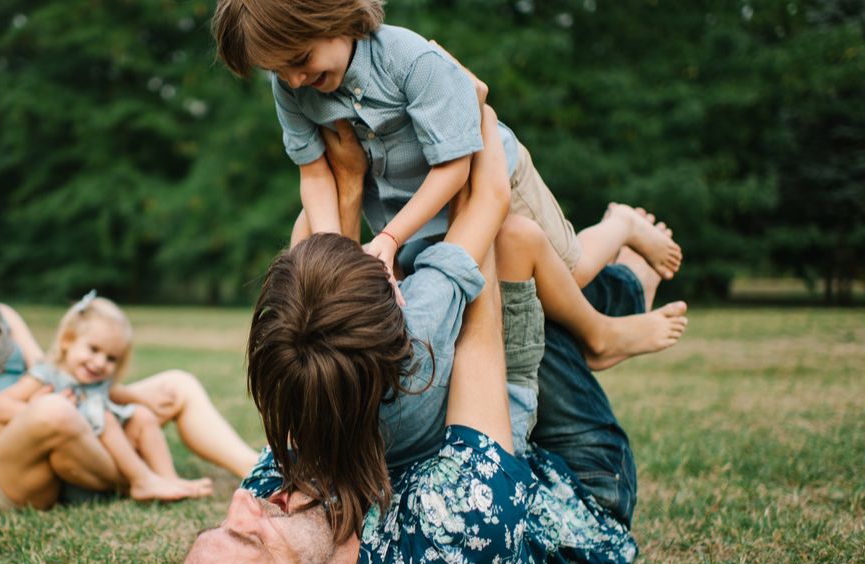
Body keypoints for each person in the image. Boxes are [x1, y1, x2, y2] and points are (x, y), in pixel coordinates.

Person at [126, 102, 667, 564]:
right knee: (516, 254)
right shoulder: (449, 542)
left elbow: (323, 284)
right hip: (569, 478)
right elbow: (482, 313)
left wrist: (349, 181)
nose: (244, 499)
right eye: (247, 537)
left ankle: (623, 271)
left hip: (451, 439)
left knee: (374, 320)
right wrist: (467, 132)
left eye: (222, 525)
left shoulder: (279, 501)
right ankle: (628, 272)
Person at [211, 0, 688, 369]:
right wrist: (339, 254)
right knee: (471, 290)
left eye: (300, 59)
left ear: (335, 17)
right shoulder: (293, 89)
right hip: (400, 203)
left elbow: (454, 169)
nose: (294, 80)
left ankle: (620, 226)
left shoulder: (412, 62)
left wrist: (390, 239)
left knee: (569, 271)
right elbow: (315, 175)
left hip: (484, 173)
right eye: (278, 71)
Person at [0, 213, 259, 511]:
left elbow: (52, 369)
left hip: (62, 424)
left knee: (177, 384)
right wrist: (42, 420)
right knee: (54, 411)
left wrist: (119, 399)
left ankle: (260, 471)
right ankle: (141, 478)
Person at [0, 291, 214, 502]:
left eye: (111, 358)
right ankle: (142, 481)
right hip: (81, 466)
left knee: (143, 416)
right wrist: (36, 412)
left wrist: (144, 400)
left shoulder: (96, 381)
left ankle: (169, 479)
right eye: (93, 349)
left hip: (106, 455)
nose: (99, 363)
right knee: (105, 418)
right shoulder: (46, 375)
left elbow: (116, 392)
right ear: (67, 340)